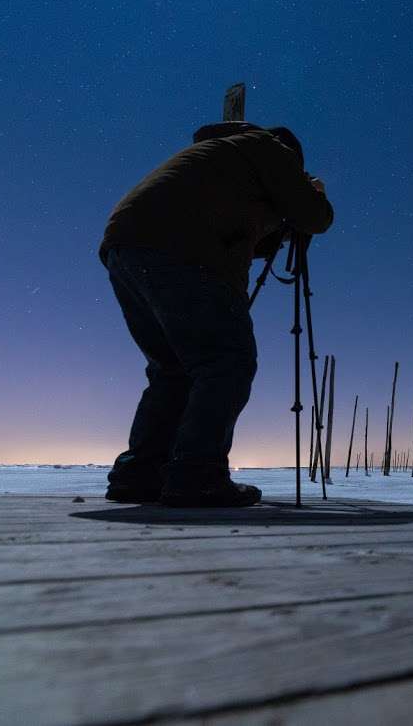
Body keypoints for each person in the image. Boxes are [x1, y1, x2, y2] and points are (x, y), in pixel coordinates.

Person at [99, 122, 334, 507]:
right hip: (180, 250)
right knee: (226, 362)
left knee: (172, 370)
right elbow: (314, 217)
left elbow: (242, 235)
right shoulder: (267, 147)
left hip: (126, 248)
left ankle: (139, 475)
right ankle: (197, 475)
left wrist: (280, 227)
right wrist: (314, 195)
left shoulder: (221, 159)